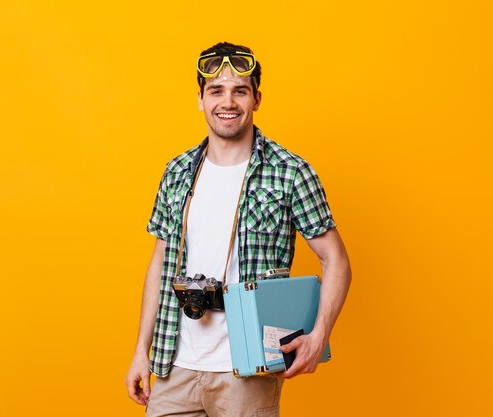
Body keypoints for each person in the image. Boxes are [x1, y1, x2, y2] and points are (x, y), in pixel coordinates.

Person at [125, 42, 352, 417]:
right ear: (200, 99)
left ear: (256, 99)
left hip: (247, 370)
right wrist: (140, 351)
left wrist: (320, 335)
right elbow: (159, 264)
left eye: (239, 91)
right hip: (174, 365)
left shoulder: (290, 172)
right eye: (216, 91)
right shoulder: (177, 172)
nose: (227, 102)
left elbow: (337, 260)